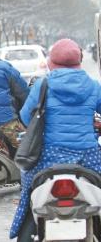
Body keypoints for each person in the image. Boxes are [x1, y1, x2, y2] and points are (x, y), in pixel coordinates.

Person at [10, 39, 101, 240]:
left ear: (52, 62)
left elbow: (26, 119)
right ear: (79, 61)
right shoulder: (94, 86)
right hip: (89, 158)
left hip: (48, 158)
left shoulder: (43, 84)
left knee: (29, 196)